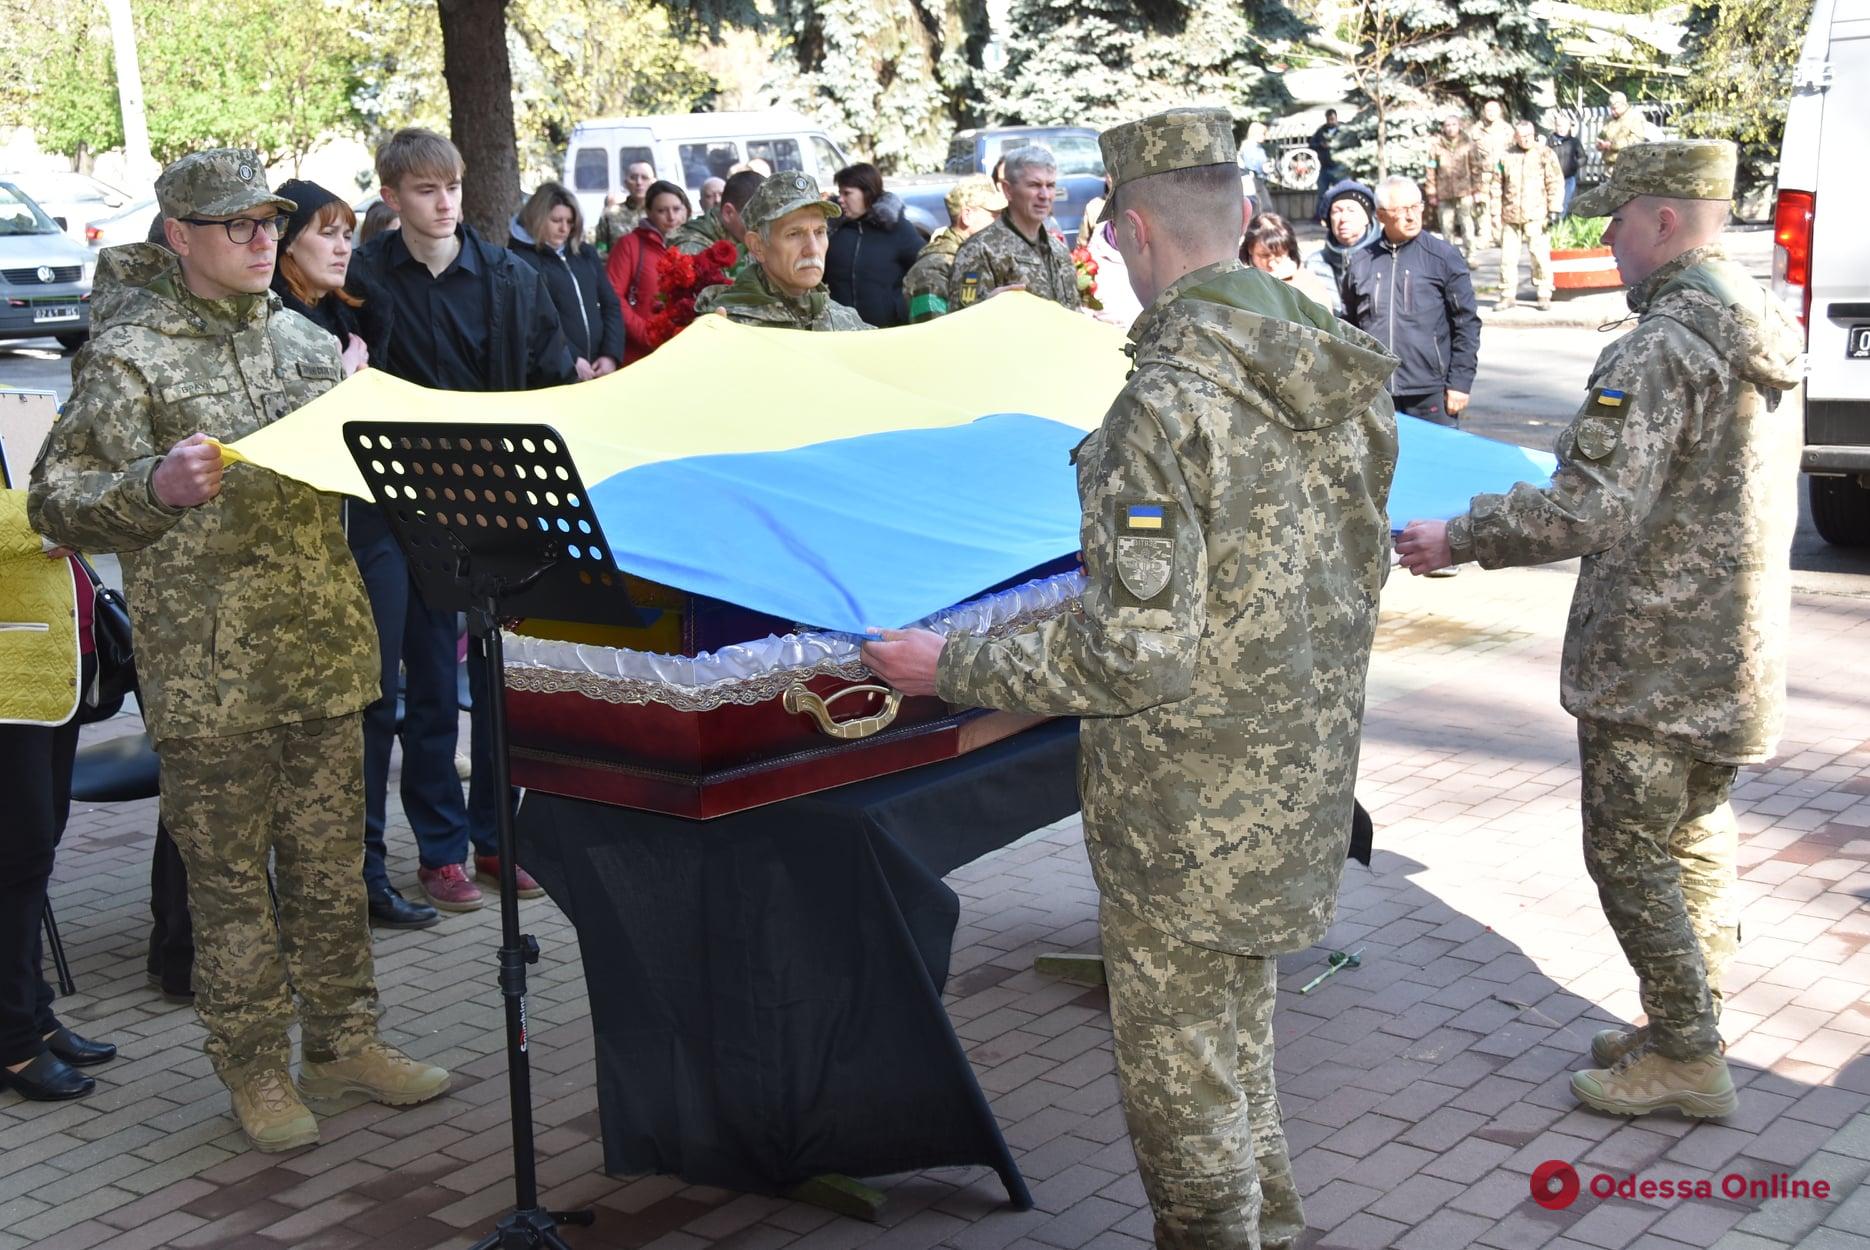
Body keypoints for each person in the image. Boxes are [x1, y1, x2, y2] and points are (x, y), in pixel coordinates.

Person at [864, 106, 1396, 1250]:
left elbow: (1134, 651)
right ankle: (1275, 1223)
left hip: (1187, 808)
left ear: (1138, 230)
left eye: (1111, 238)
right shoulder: (1338, 374)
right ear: (1245, 217)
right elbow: (1341, 573)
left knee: (1179, 1081)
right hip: (1296, 776)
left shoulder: (1164, 402)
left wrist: (944, 661)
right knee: (1234, 1036)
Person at [29, 148, 450, 1150]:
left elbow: (363, 472)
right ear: (181, 237)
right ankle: (255, 1066)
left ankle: (346, 1042)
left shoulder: (311, 346)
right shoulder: (129, 358)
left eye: (268, 222)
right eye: (237, 226)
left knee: (329, 872)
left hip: (319, 653)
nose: (263, 240)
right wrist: (149, 488)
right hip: (211, 674)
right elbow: (54, 497)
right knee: (227, 889)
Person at [1396, 141, 1800, 1120]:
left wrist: (1460, 534)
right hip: (1734, 648)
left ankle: (1689, 1055)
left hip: (1652, 659)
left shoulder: (1657, 348)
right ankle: (1681, 1019)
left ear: (1662, 220)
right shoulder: (1758, 324)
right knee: (1694, 832)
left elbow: (1588, 508)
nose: (1607, 239)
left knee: (1626, 848)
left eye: (1616, 220)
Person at [348, 128, 575, 916]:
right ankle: (439, 851)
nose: (443, 204)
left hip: (495, 505)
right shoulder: (365, 279)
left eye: (451, 188)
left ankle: (494, 842)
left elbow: (552, 378)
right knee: (431, 692)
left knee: (500, 685)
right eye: (423, 190)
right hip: (400, 510)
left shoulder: (508, 275)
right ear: (391, 197)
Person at [0, 503, 117, 1101]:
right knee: (16, 863)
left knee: (34, 858)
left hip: (51, 674)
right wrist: (54, 519)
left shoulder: (23, 410)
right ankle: (14, 1043)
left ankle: (35, 1015)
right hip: (8, 683)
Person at [1343, 176, 1481, 429]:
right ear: (1382, 216)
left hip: (1431, 392)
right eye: (1401, 210)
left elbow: (1467, 324)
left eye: (1416, 207)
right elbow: (1348, 327)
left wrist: (1460, 383)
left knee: (1437, 465)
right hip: (1376, 394)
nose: (1411, 216)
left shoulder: (1442, 257)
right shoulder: (1361, 262)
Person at [695, 171, 870, 331]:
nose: (813, 249)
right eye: (794, 234)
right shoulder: (728, 326)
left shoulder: (846, 320)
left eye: (819, 232)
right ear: (757, 246)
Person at [510, 181, 625, 381]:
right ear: (538, 217)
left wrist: (610, 354)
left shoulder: (585, 254)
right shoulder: (521, 260)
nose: (564, 228)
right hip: (552, 373)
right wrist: (570, 357)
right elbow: (534, 320)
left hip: (598, 367)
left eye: (570, 222)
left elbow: (610, 304)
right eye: (556, 220)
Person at [272, 179, 386, 380]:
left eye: (348, 236)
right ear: (289, 241)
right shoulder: (270, 321)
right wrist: (343, 372)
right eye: (328, 234)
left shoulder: (356, 315)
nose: (343, 248)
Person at [948, 145, 1081, 313]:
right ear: (1008, 190)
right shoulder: (979, 251)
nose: (1045, 195)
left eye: (1051, 185)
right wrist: (987, 308)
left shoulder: (1058, 251)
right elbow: (961, 322)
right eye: (1034, 185)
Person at [825, 162, 925, 328]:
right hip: (842, 331)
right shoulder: (833, 230)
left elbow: (926, 267)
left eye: (847, 193)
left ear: (867, 193)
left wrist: (903, 309)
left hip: (887, 332)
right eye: (839, 193)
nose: (840, 200)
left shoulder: (897, 229)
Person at [609, 179, 692, 361]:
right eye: (662, 211)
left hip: (685, 349)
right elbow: (613, 296)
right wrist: (646, 333)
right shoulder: (629, 245)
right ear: (648, 212)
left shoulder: (695, 246)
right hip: (640, 353)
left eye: (676, 209)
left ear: (685, 209)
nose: (671, 217)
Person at [903, 175, 1005, 324]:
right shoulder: (932, 270)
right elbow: (932, 332)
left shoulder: (981, 258)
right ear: (967, 216)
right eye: (994, 215)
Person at [1495, 120, 1566, 310]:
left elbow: (1555, 182)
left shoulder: (1545, 153)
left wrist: (1554, 209)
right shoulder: (1505, 156)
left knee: (1539, 256)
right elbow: (1496, 185)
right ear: (1515, 136)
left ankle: (1544, 292)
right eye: (1521, 136)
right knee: (1507, 258)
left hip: (1537, 213)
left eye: (1529, 135)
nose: (1525, 139)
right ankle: (1507, 294)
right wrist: (1495, 213)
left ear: (1533, 134)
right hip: (1510, 215)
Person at [670, 168, 765, 278]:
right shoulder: (693, 249)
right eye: (756, 221)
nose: (762, 229)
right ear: (729, 213)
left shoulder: (740, 236)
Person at [1303, 179, 1379, 314]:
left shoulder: (1384, 258)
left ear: (1367, 218)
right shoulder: (1314, 264)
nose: (1343, 218)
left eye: (1351, 210)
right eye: (1337, 211)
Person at [1240, 211, 1337, 310]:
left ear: (1288, 250)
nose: (1272, 263)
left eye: (1279, 255)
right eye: (1264, 256)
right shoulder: (1239, 281)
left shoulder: (1306, 283)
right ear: (1250, 249)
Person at [1425, 115, 1483, 258]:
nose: (1451, 128)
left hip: (1465, 191)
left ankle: (1471, 255)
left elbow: (1476, 168)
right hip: (1444, 192)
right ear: (1444, 128)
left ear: (1459, 126)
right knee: (1446, 226)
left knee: (1467, 224)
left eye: (1454, 125)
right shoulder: (1436, 146)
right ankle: (1450, 258)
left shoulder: (1468, 144)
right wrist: (1431, 193)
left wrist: (1477, 190)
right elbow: (1430, 170)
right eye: (1448, 125)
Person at [1472, 100, 1515, 244]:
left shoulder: (1507, 130)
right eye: (1487, 110)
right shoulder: (1476, 130)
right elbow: (1470, 153)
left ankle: (1499, 236)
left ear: (1499, 112)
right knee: (1483, 205)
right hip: (1482, 175)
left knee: (1499, 204)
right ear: (1483, 112)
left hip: (1501, 174)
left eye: (1493, 110)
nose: (1490, 113)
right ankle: (1484, 236)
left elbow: (1513, 153)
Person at [1596, 92, 1648, 171]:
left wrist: (1612, 145)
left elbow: (1637, 141)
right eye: (1611, 109)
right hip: (1609, 166)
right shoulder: (1609, 120)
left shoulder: (1635, 117)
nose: (1613, 112)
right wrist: (1599, 144)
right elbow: (1602, 135)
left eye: (1615, 108)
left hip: (1627, 166)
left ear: (1624, 105)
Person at [1309, 108, 1343, 222]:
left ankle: (1339, 214)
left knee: (1341, 192)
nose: (1331, 121)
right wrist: (1320, 145)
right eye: (1329, 119)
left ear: (1336, 118)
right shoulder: (1322, 130)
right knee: (1322, 194)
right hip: (1324, 167)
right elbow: (1311, 144)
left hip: (1339, 168)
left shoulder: (1342, 129)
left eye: (1333, 119)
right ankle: (1319, 216)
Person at [1549, 114, 1584, 213]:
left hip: (1568, 178)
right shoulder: (1550, 141)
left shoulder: (1574, 142)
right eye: (1559, 126)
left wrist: (1574, 164)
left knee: (1565, 203)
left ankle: (1560, 225)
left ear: (1569, 127)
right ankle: (1553, 224)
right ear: (1555, 127)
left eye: (1564, 126)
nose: (1561, 129)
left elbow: (1583, 158)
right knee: (1554, 203)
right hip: (1553, 179)